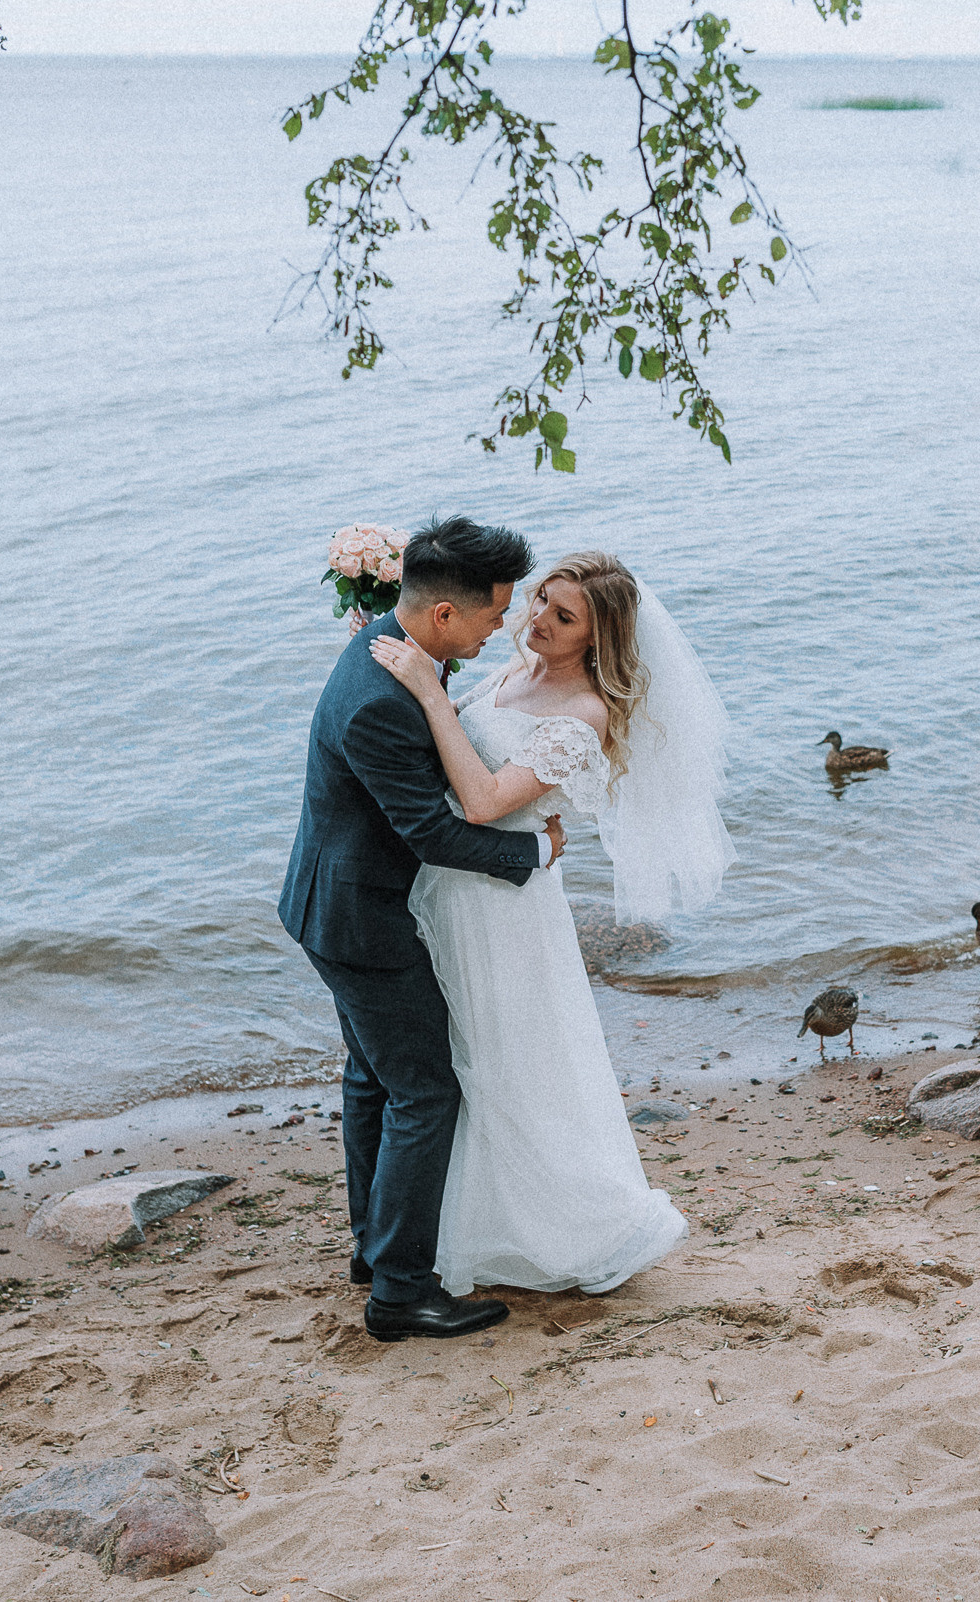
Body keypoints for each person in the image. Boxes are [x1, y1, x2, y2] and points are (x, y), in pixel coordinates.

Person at [369, 550, 734, 1298]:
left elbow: (482, 801)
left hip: (501, 912)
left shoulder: (584, 715)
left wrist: (428, 694)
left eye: (562, 618)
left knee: (506, 1062)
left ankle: (554, 1228)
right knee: (454, 1062)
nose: (536, 620)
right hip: (447, 888)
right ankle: (447, 1222)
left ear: (596, 640)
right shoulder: (513, 672)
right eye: (540, 601)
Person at [278, 516, 565, 1341]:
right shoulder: (381, 703)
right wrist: (534, 852)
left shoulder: (386, 646)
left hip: (327, 903)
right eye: (491, 614)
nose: (500, 628)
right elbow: (433, 834)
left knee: (372, 1079)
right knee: (425, 1091)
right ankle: (401, 1293)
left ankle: (377, 1247)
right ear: (444, 616)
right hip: (361, 920)